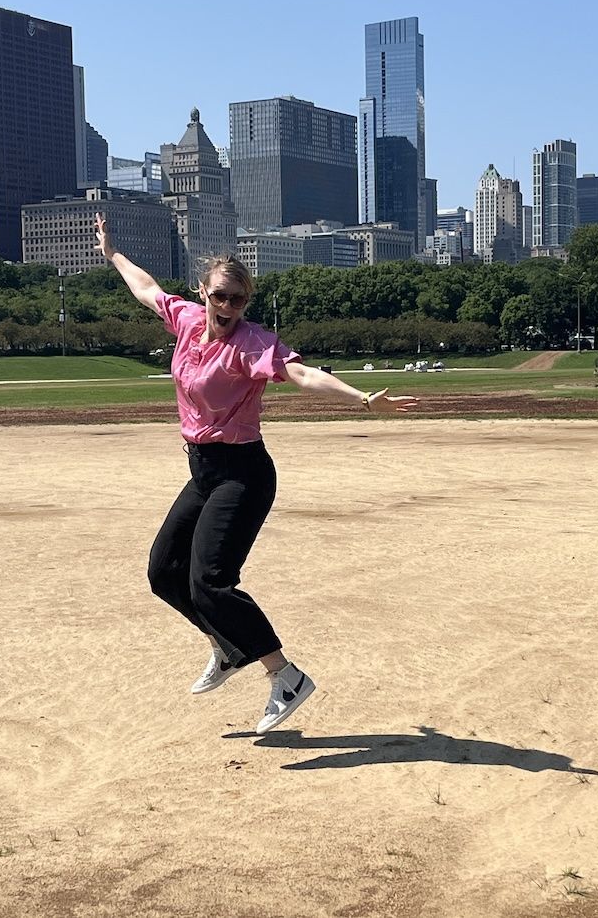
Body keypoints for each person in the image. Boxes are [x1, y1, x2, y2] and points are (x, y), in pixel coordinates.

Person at [96, 213, 415, 733]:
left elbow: (303, 374)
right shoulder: (183, 320)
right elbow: (146, 287)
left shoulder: (251, 344)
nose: (227, 306)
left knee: (210, 582)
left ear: (247, 303)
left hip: (243, 472)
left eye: (238, 299)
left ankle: (284, 676)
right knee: (163, 573)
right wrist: (111, 252)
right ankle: (227, 646)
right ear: (203, 292)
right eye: (220, 295)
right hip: (203, 469)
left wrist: (361, 399)